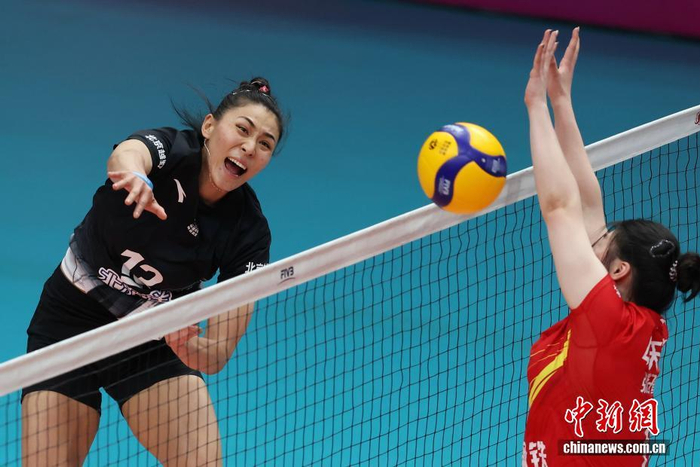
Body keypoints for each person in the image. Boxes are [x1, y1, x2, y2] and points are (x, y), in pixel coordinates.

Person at [21, 78, 286, 466]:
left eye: (265, 144)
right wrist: (134, 175)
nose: (250, 147)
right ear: (209, 126)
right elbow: (129, 154)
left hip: (153, 337)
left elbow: (217, 354)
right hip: (70, 321)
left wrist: (187, 346)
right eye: (242, 129)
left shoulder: (248, 232)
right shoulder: (172, 150)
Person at [522, 29, 700, 466]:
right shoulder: (642, 320)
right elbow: (586, 205)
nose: (594, 239)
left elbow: (560, 207)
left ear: (619, 271)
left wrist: (535, 106)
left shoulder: (608, 321)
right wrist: (561, 101)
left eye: (602, 242)